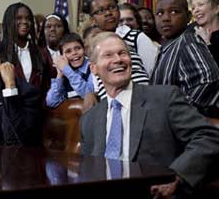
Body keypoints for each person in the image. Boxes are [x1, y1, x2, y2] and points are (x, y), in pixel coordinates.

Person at [80, 32, 219, 198]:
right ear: (93, 68)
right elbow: (88, 171)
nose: (118, 59)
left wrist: (177, 176)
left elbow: (208, 137)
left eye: (123, 53)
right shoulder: (89, 120)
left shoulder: (164, 98)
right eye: (108, 55)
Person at [151, 0, 219, 117]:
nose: (165, 18)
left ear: (188, 17)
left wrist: (178, 113)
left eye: (174, 12)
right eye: (160, 13)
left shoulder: (188, 41)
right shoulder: (169, 44)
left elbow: (208, 80)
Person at [87, 0, 157, 75]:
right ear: (92, 20)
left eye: (112, 7)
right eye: (101, 10)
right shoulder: (93, 45)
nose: (108, 13)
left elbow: (153, 71)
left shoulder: (137, 37)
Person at [0, 2, 52, 99]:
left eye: (28, 19)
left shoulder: (41, 52)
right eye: (18, 18)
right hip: (8, 109)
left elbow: (47, 83)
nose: (24, 22)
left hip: (37, 110)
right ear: (8, 21)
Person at [46, 33, 94, 108]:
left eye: (78, 48)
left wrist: (67, 71)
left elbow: (88, 95)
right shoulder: (65, 72)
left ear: (84, 49)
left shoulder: (92, 67)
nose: (74, 53)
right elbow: (51, 102)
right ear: (62, 56)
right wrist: (60, 75)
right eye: (68, 51)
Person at [189, 0, 219, 66]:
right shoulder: (189, 33)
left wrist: (206, 43)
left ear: (216, 8)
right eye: (193, 7)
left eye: (200, 5)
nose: (196, 10)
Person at [38, 13, 71, 78]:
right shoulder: (37, 55)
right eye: (48, 27)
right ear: (43, 31)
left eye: (58, 26)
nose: (52, 29)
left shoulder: (72, 53)